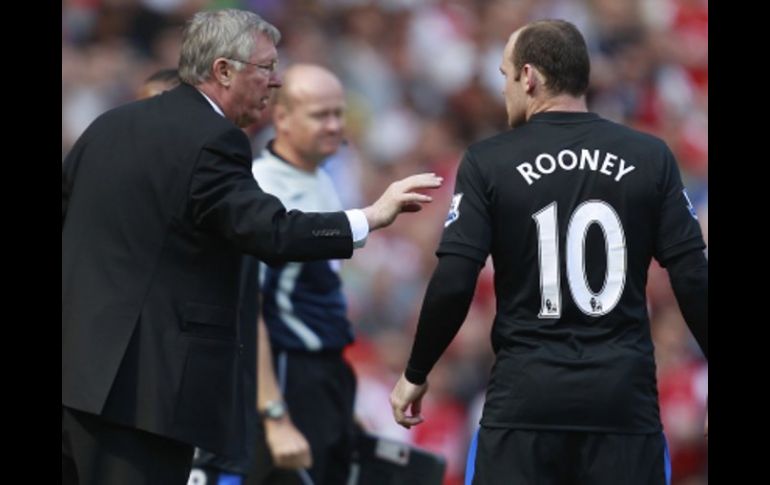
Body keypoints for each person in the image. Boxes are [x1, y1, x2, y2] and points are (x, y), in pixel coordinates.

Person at [62, 8, 441, 485]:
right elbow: (270, 230)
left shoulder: (107, 126)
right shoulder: (213, 138)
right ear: (223, 70)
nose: (274, 81)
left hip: (75, 376)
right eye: (265, 68)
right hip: (143, 394)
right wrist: (369, 217)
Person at [390, 19, 707, 485]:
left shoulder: (488, 161)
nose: (504, 91)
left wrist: (416, 370)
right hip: (622, 403)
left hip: (524, 402)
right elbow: (693, 275)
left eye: (505, 76)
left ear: (530, 77)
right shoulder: (650, 156)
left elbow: (456, 279)